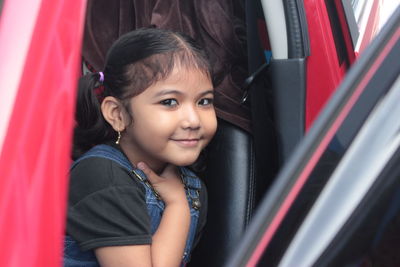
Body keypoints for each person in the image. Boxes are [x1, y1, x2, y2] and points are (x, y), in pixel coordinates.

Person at [63, 27, 217, 267]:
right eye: (169, 102)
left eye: (204, 101)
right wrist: (178, 207)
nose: (193, 120)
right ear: (117, 114)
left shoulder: (192, 187)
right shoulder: (103, 177)